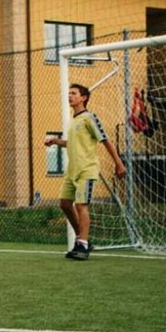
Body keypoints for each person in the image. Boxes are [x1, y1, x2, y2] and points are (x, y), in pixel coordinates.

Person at [44, 84, 127, 260]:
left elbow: (105, 141)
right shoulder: (74, 121)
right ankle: (82, 240)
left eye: (73, 93)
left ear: (83, 98)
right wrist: (56, 141)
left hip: (86, 170)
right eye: (69, 93)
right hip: (72, 171)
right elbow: (73, 143)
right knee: (65, 204)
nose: (70, 96)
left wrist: (119, 164)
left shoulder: (90, 118)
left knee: (81, 205)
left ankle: (83, 245)